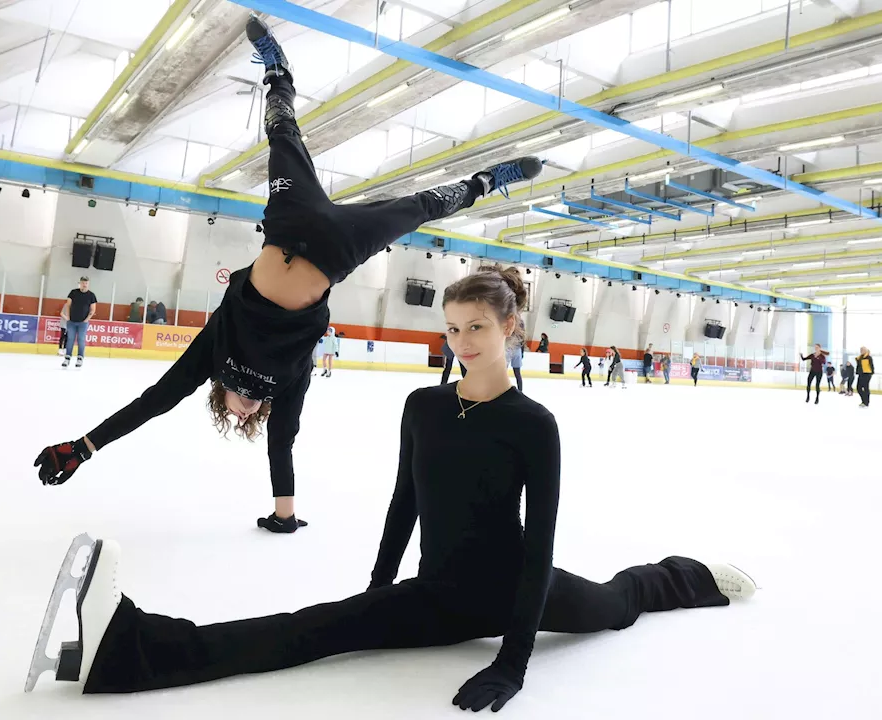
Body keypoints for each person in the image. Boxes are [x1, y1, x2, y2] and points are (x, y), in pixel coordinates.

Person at [28, 267, 756, 709]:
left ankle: (687, 578)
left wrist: (512, 662)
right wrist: (378, 585)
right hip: (436, 591)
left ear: (511, 328)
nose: (462, 342)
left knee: (617, 606)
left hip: (514, 590)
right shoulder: (424, 405)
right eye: (451, 329)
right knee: (308, 628)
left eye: (477, 327)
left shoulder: (534, 424)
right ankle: (128, 648)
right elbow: (405, 501)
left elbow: (539, 550)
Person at [31, 16, 544, 533]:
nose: (244, 411)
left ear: (219, 395)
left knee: (281, 133)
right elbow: (283, 444)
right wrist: (285, 516)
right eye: (249, 418)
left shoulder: (213, 353)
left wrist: (83, 447)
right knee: (417, 208)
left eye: (233, 413)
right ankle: (486, 180)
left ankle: (277, 73)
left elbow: (154, 402)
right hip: (336, 252)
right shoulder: (289, 382)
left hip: (288, 223)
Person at [60, 277, 97, 369]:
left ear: (88, 284)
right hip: (71, 321)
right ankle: (67, 358)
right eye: (83, 283)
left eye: (86, 283)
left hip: (83, 323)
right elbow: (68, 305)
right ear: (80, 283)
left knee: (81, 340)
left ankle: (80, 358)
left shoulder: (91, 295)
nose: (84, 284)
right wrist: (68, 317)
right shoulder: (73, 293)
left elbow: (93, 309)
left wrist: (87, 319)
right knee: (70, 340)